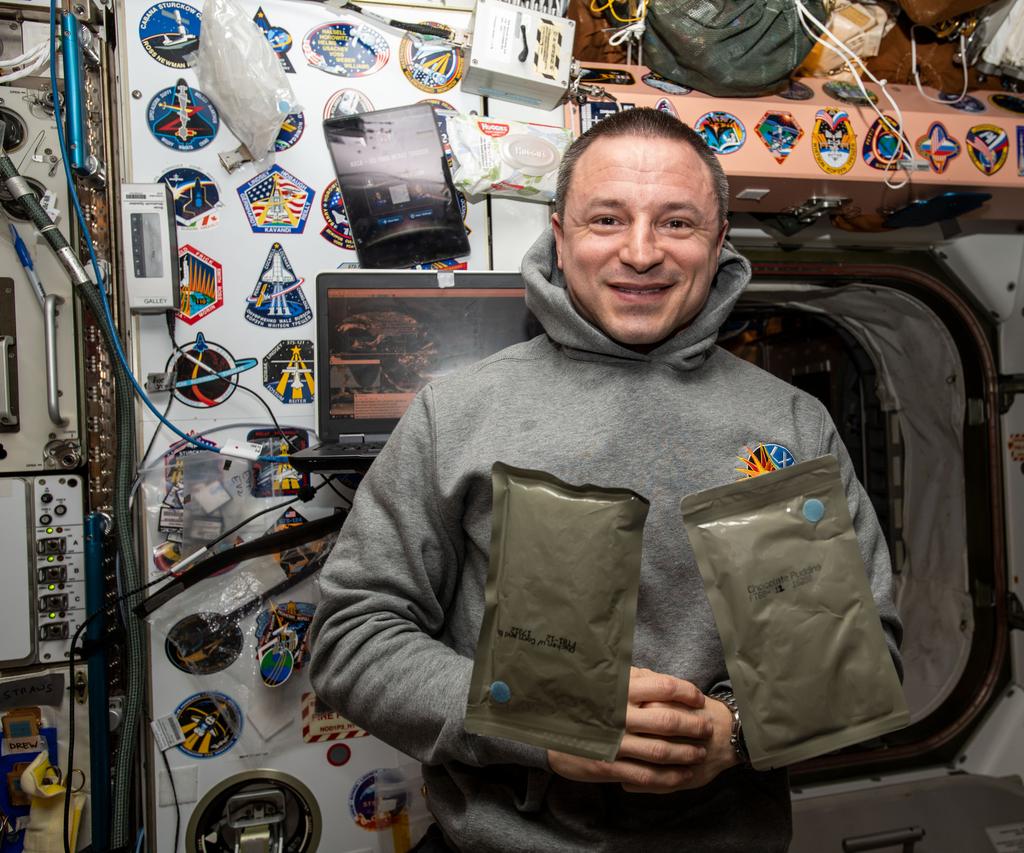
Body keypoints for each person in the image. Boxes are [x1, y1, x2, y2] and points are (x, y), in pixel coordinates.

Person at [310, 107, 903, 852]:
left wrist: (740, 730)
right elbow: (352, 636)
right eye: (606, 219)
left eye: (678, 222)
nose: (642, 251)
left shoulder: (787, 425)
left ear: (719, 244)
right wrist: (536, 724)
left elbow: (861, 651)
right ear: (560, 237)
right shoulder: (457, 414)